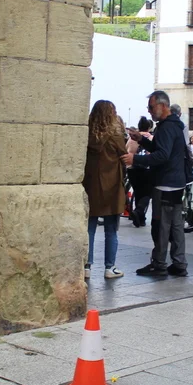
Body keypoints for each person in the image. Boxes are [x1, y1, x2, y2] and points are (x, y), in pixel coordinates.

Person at [123, 91, 190, 278]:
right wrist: (142, 140)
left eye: (151, 107)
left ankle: (159, 263)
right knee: (176, 226)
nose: (149, 111)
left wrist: (135, 159)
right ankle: (179, 263)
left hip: (165, 184)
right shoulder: (174, 125)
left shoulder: (167, 127)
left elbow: (162, 155)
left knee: (160, 226)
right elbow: (161, 148)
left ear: (163, 105)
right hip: (176, 183)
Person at [83, 100, 126, 280]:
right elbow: (124, 158)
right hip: (112, 187)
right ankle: (110, 267)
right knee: (111, 229)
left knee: (89, 228)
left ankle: (86, 266)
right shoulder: (116, 137)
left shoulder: (86, 136)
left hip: (91, 185)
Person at [126, 116, 154, 227]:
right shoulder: (151, 138)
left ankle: (140, 218)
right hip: (146, 169)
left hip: (132, 169)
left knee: (137, 192)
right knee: (147, 193)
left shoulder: (131, 139)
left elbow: (126, 150)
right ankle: (139, 211)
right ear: (148, 127)